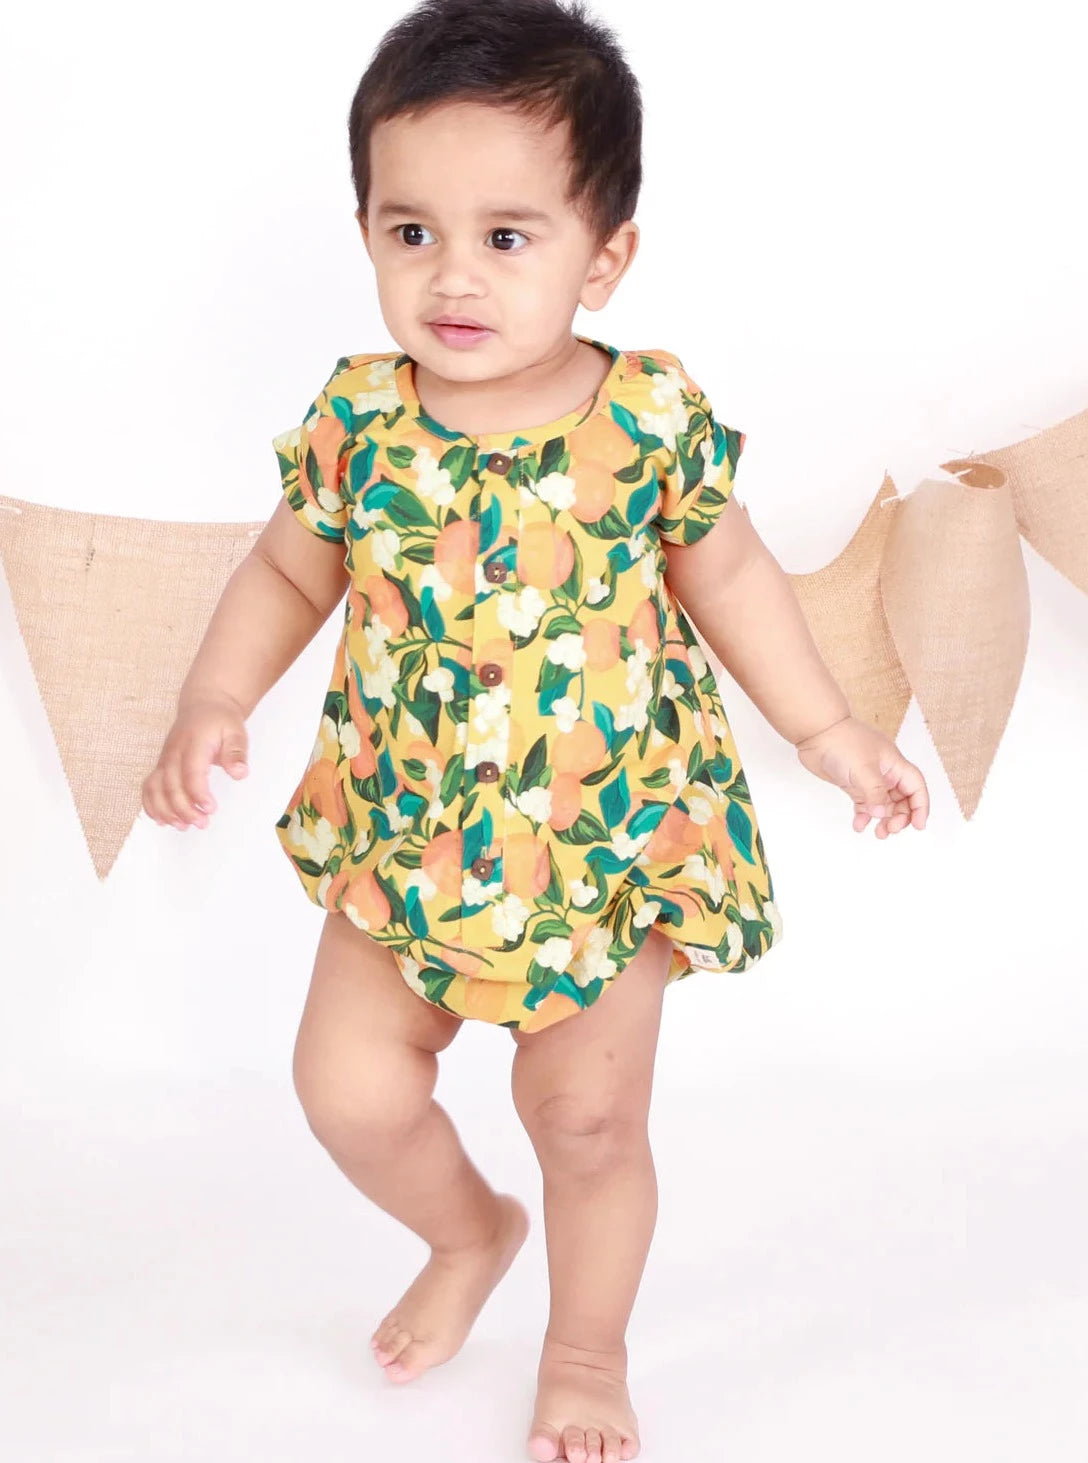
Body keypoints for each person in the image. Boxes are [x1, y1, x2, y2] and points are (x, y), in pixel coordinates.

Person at [142, 1, 930, 1459]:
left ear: (603, 255)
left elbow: (733, 577)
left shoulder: (646, 421)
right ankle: (468, 1232)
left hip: (603, 842)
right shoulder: (360, 422)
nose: (453, 275)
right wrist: (212, 699)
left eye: (507, 236)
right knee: (346, 1089)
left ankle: (583, 1348)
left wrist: (829, 730)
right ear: (365, 231)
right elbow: (286, 573)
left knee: (585, 1119)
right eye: (411, 231)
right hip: (406, 827)